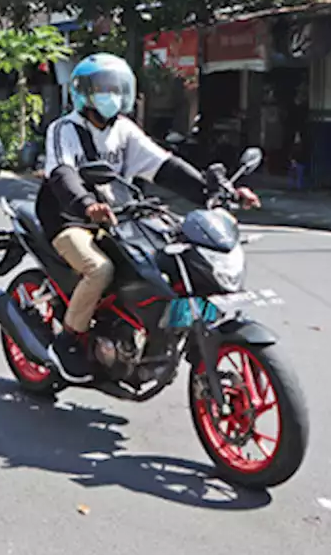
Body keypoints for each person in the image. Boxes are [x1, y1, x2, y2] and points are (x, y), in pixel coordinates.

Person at [36, 53, 261, 383]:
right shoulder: (65, 129)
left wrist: (215, 193)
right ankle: (68, 340)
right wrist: (86, 204)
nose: (109, 95)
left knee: (169, 255)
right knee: (100, 270)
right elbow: (62, 173)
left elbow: (165, 167)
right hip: (70, 219)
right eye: (101, 88)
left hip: (120, 216)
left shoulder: (124, 130)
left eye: (116, 88)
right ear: (82, 92)